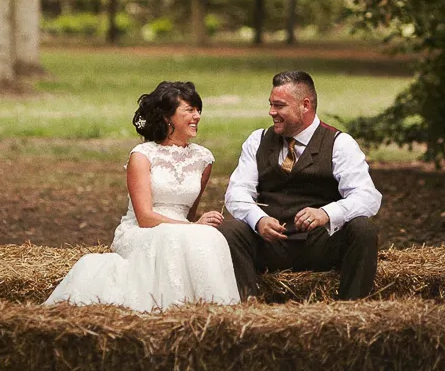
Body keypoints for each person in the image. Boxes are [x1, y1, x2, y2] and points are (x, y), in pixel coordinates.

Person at [45, 81, 240, 310]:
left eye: (198, 110)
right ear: (168, 117)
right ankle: (167, 311)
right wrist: (193, 227)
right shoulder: (143, 156)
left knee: (211, 237)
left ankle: (216, 313)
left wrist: (199, 223)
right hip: (142, 230)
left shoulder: (203, 159)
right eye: (189, 110)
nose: (197, 116)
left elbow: (189, 213)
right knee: (177, 238)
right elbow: (145, 217)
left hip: (182, 230)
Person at [220, 70, 382, 300]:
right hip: (271, 244)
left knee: (363, 229)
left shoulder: (339, 144)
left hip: (320, 244)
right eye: (271, 105)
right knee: (230, 230)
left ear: (305, 105)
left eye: (279, 106)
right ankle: (249, 311)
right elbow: (236, 193)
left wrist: (326, 213)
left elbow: (368, 196)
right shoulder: (257, 140)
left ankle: (351, 311)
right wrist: (258, 220)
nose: (271, 112)